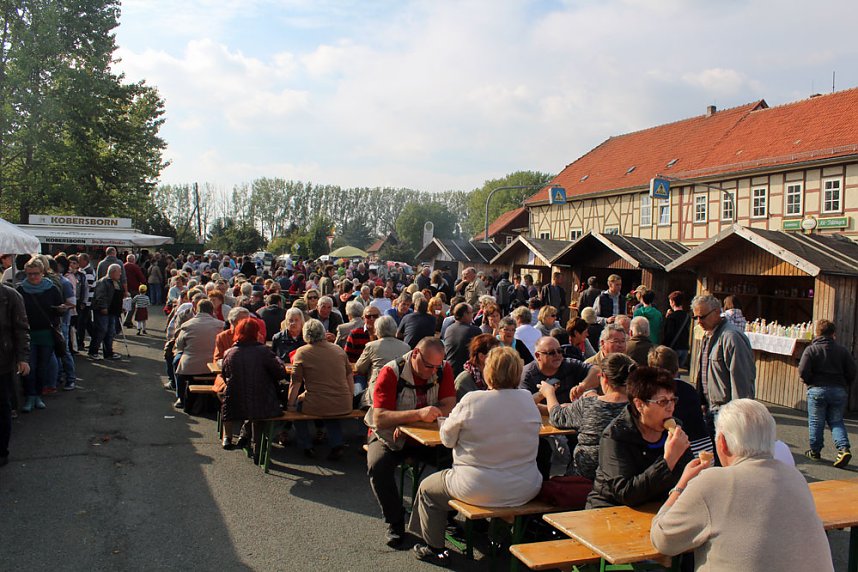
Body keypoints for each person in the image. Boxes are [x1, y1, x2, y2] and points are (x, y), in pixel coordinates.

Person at [650, 399, 834, 572]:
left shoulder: (713, 481)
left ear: (722, 442)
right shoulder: (794, 476)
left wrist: (680, 486)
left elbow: (663, 539)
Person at [408, 346, 542, 564]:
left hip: (476, 486)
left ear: (488, 372)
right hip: (525, 486)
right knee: (502, 494)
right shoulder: (527, 399)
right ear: (517, 372)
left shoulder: (472, 399)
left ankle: (434, 547)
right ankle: (497, 537)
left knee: (427, 489)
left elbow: (447, 440)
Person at [365, 337, 456, 547]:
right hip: (388, 436)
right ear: (415, 353)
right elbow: (380, 418)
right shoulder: (391, 372)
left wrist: (419, 419)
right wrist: (417, 415)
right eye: (428, 366)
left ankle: (446, 516)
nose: (433, 371)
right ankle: (395, 522)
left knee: (457, 461)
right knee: (378, 467)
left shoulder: (444, 369)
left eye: (436, 366)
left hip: (426, 438)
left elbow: (450, 403)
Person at [586, 366, 692, 508]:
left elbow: (686, 477)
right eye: (662, 402)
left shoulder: (675, 431)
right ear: (639, 404)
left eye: (672, 400)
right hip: (612, 509)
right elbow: (625, 493)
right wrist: (668, 461)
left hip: (659, 506)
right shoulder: (615, 435)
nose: (670, 407)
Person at [540, 352, 634, 481]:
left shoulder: (588, 405)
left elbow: (557, 417)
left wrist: (549, 393)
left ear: (604, 378)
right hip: (627, 476)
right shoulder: (639, 407)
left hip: (586, 478)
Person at [288, 319, 355, 459]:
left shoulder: (302, 352)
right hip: (342, 402)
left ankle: (306, 445)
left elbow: (295, 383)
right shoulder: (338, 349)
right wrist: (350, 397)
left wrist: (290, 405)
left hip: (317, 402)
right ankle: (337, 444)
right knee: (331, 410)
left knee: (298, 412)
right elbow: (350, 376)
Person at [221, 318, 286, 451]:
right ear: (256, 333)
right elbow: (280, 373)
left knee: (232, 399)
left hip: (236, 401)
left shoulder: (230, 353)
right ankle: (257, 441)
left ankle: (233, 436)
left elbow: (225, 375)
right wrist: (279, 360)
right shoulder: (263, 352)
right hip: (264, 401)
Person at [692, 294, 755, 432]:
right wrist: (701, 400)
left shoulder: (731, 337)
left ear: (716, 312)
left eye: (702, 317)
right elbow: (703, 370)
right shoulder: (708, 335)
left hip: (726, 411)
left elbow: (742, 380)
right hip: (711, 408)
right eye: (695, 317)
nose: (698, 321)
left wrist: (739, 415)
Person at [799, 319, 856, 467]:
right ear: (833, 334)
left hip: (817, 389)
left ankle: (815, 451)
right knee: (836, 421)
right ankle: (843, 448)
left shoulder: (811, 350)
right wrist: (844, 384)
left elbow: (803, 370)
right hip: (838, 390)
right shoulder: (842, 351)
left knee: (816, 422)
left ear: (817, 333)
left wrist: (809, 381)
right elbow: (852, 371)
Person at [648, 346, 713, 459]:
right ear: (677, 368)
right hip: (705, 447)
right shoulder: (689, 389)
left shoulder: (655, 394)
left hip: (683, 451)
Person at [16, 258, 63, 411]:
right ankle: (30, 396)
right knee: (30, 367)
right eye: (29, 274)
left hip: (46, 333)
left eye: (36, 274)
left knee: (42, 366)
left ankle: (37, 396)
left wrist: (59, 310)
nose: (32, 277)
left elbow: (58, 307)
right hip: (27, 334)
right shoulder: (20, 290)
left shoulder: (51, 288)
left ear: (42, 273)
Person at [520, 336, 600, 413]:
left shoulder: (569, 364)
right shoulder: (527, 374)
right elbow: (525, 404)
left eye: (560, 351)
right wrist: (560, 410)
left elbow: (597, 370)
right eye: (551, 353)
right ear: (538, 356)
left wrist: (583, 385)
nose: (557, 355)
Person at [174, 299, 224, 409]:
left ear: (196, 310)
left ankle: (181, 398)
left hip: (190, 366)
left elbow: (179, 345)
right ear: (212, 311)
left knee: (178, 363)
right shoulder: (221, 325)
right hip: (214, 365)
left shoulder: (187, 325)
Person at [1, 282, 30, 465]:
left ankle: (1, 449)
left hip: (3, 361)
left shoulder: (9, 296)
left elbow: (21, 329)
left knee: (2, 406)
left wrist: (23, 358)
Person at [355, 314, 410, 403]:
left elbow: (359, 368)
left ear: (377, 330)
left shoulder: (372, 346)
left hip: (377, 393)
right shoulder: (406, 347)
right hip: (400, 393)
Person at [89, 263, 124, 361]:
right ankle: (93, 351)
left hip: (112, 311)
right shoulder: (103, 282)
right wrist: (103, 307)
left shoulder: (117, 282)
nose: (120, 274)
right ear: (113, 272)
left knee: (110, 332)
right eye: (119, 272)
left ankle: (108, 352)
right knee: (101, 330)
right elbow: (100, 296)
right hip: (103, 311)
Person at [454, 333, 500, 400]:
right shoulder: (464, 381)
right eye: (495, 354)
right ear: (481, 356)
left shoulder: (498, 376)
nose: (499, 357)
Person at [442, 302, 481, 376]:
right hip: (466, 373)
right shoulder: (474, 331)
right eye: (471, 312)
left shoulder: (449, 329)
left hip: (449, 370)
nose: (472, 315)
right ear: (464, 314)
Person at [663, 291, 691, 368]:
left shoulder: (672, 317)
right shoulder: (687, 316)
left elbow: (669, 334)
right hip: (684, 348)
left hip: (674, 348)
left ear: (673, 302)